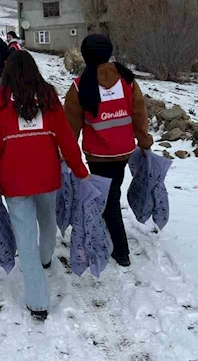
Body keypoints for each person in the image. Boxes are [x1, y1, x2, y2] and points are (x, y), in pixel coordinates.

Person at [0, 50, 89, 320]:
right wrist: (80, 171)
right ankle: (46, 257)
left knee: (25, 238)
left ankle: (37, 301)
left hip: (15, 180)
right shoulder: (48, 96)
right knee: (48, 219)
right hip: (47, 175)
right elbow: (65, 140)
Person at [63, 34, 153, 267]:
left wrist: (66, 155)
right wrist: (144, 141)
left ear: (85, 55)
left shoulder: (79, 86)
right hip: (123, 152)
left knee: (109, 200)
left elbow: (69, 126)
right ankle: (111, 237)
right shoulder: (128, 80)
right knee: (111, 194)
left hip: (97, 156)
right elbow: (140, 113)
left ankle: (121, 251)